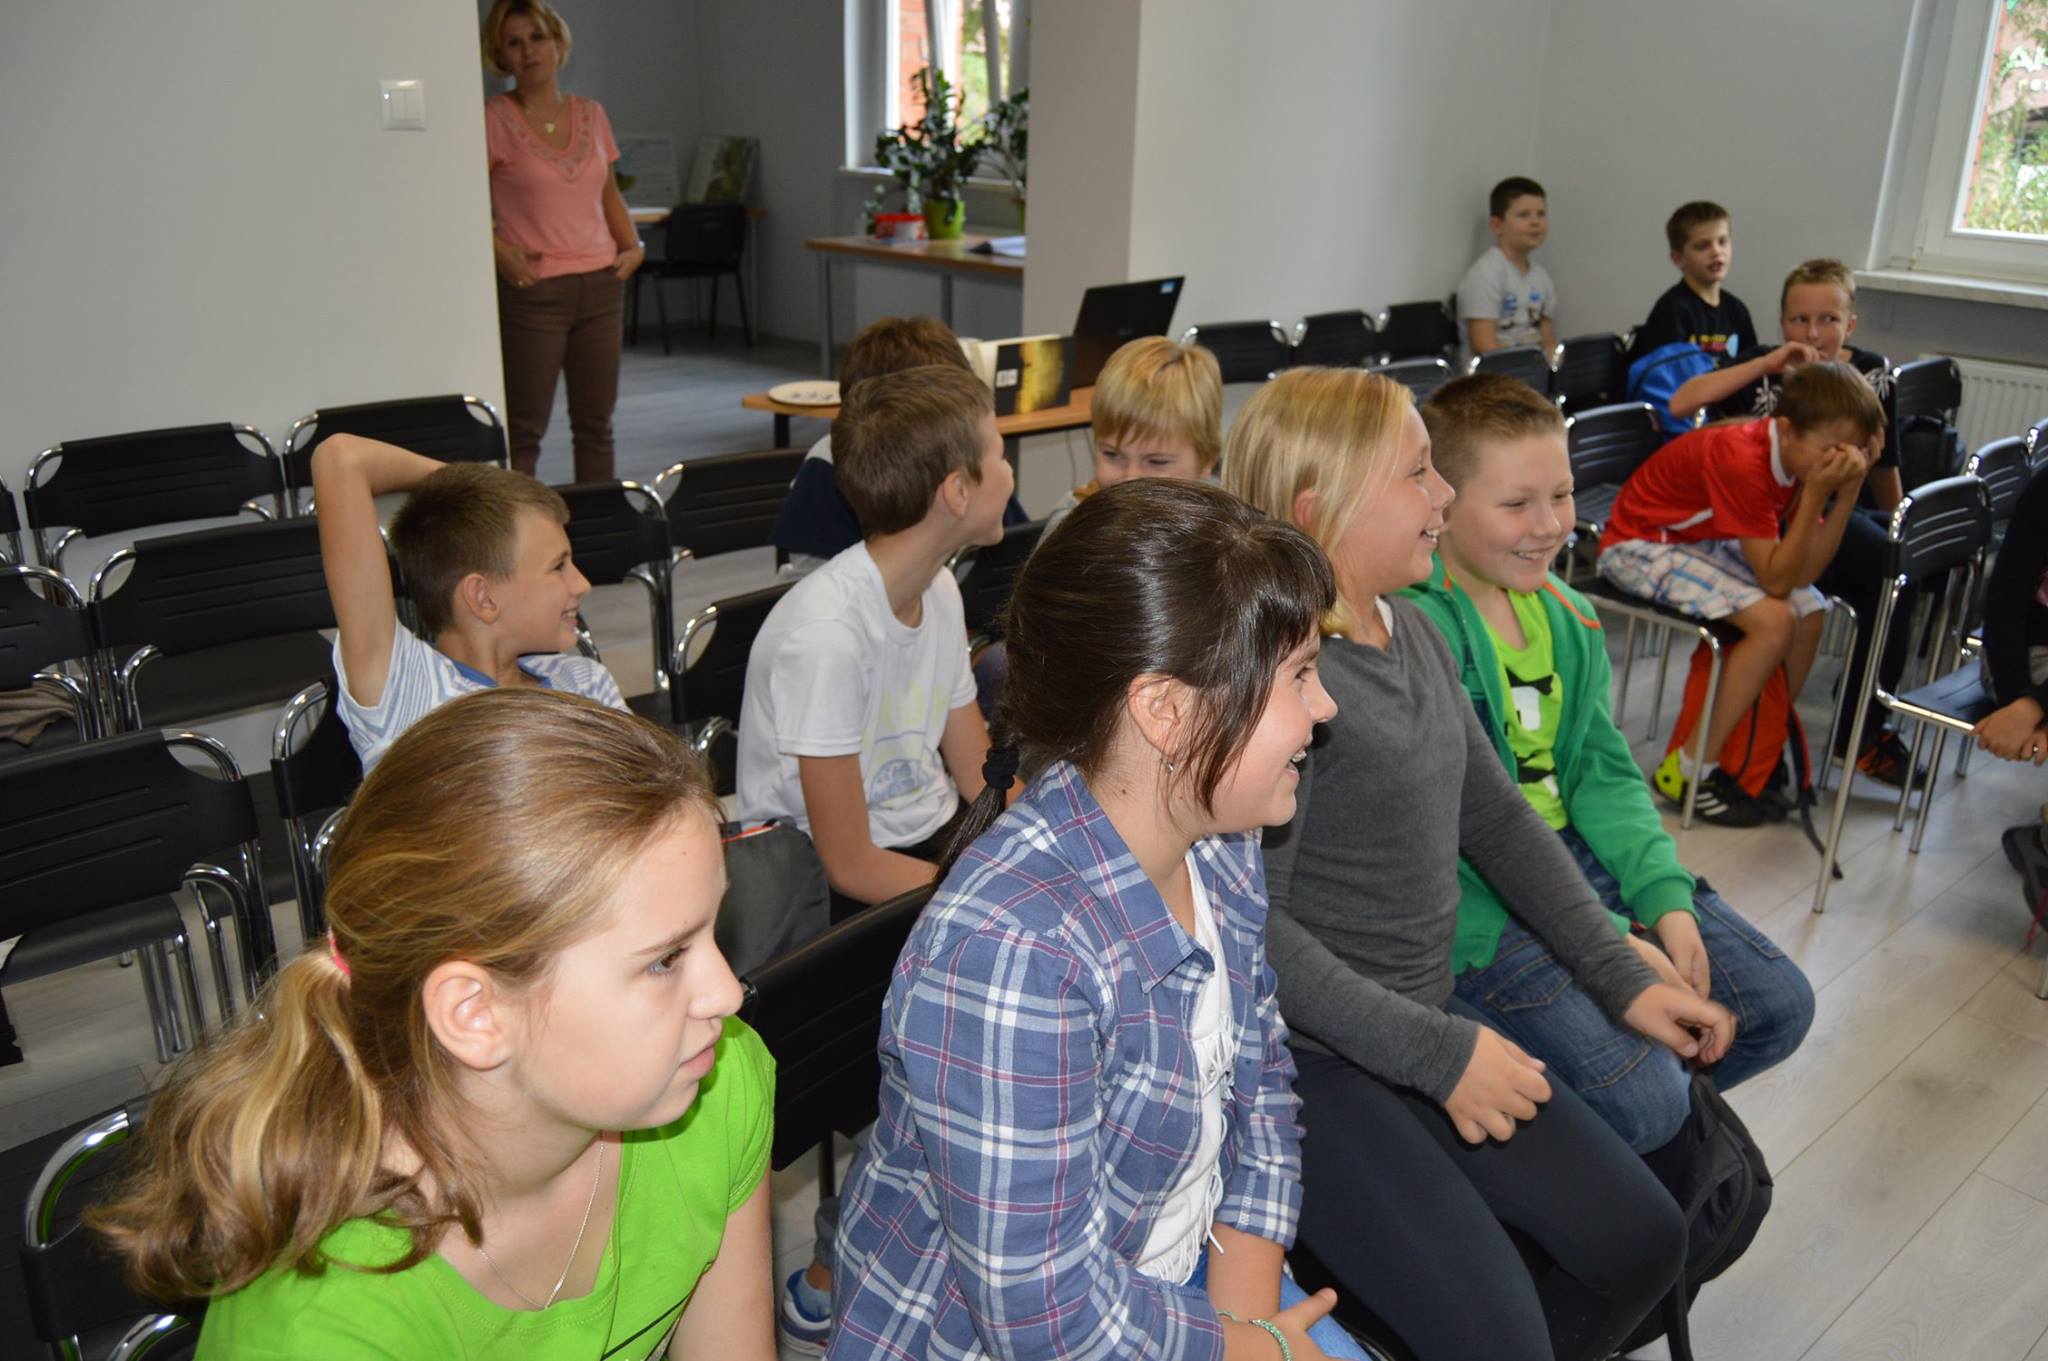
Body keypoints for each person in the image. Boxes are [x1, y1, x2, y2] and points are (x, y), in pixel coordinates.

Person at [1225, 367, 1714, 1361]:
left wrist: (1620, 975)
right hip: (1306, 1064)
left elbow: (1496, 820)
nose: (1443, 493)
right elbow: (1252, 931)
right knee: (1499, 1334)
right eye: (1417, 473)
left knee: (1643, 1240)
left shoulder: (1409, 627)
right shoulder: (1283, 680)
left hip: (1421, 1024)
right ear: (1318, 511)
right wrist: (1439, 1054)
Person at [830, 477, 1372, 1361]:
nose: (1326, 707)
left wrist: (1249, 1321)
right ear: (1166, 712)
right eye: (1299, 677)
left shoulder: (1217, 836)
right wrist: (1250, 1351)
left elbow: (1260, 1083)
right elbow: (1045, 1318)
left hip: (1174, 1290)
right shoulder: (1014, 951)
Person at [89, 689, 775, 1359]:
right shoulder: (319, 1329)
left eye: (713, 929)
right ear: (475, 1013)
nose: (726, 993)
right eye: (665, 960)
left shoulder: (717, 1080)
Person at [1405, 373, 1814, 1152]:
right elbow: (1470, 834)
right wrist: (1614, 943)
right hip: (1485, 898)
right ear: (1441, 503)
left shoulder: (1569, 615)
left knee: (1776, 1006)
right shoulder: (1421, 632)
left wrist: (1666, 902)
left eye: (1561, 495)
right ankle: (1597, 1151)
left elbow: (1604, 774)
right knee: (1646, 1101)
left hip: (1577, 860)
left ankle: (1620, 1144)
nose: (1551, 525)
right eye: (1516, 503)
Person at [736, 363, 1005, 919]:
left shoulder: (938, 590)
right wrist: (987, 897)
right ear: (958, 491)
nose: (1009, 474)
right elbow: (850, 865)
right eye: (1000, 455)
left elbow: (978, 772)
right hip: (826, 885)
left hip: (926, 840)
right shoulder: (827, 638)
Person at [1596, 362, 1884, 825]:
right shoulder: (1744, 460)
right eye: (1832, 451)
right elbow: (1776, 582)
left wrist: (1847, 495)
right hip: (1638, 544)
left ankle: (1756, 753)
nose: (1840, 462)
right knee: (1774, 622)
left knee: (1811, 610)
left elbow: (1804, 574)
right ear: (1786, 430)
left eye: (1852, 453)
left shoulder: (1796, 457)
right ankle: (1689, 769)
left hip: (1695, 541)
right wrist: (1817, 493)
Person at [1670, 259, 1920, 784]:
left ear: (1850, 324)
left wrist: (1900, 523)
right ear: (1781, 322)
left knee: (1901, 561)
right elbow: (1683, 401)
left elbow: (1884, 467)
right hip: (1764, 518)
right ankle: (1832, 733)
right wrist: (1767, 364)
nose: (1812, 334)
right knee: (1885, 569)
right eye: (1798, 320)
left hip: (1837, 505)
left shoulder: (1871, 372)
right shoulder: (1767, 364)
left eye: (1828, 320)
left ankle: (1860, 723)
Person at [312, 433, 624, 771]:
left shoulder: (585, 683)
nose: (582, 584)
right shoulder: (406, 691)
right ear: (483, 597)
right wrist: (472, 487)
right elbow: (342, 457)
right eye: (558, 566)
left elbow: (648, 794)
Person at [483, 0, 645, 480]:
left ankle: (599, 522)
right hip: (535, 293)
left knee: (596, 427)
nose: (529, 51)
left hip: (601, 287)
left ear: (558, 42)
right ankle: (518, 526)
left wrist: (634, 248)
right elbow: (461, 201)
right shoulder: (492, 118)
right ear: (501, 56)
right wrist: (498, 252)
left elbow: (608, 193)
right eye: (514, 43)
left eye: (537, 37)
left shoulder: (592, 114)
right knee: (523, 432)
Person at [770, 315, 1026, 575]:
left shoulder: (974, 462)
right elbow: (819, 577)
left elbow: (1021, 545)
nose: (1009, 470)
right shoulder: (829, 469)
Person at [1043, 335, 1224, 531]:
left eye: (1156, 462)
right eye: (1112, 455)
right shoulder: (1071, 525)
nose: (1130, 478)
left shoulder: (1228, 528)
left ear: (1208, 458)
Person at [1626, 200, 1755, 364]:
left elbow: (1753, 367)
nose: (1716, 252)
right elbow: (1668, 375)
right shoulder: (1672, 310)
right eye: (1702, 246)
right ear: (1678, 259)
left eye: (1723, 242)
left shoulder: (1737, 310)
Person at [1456, 176, 1558, 359]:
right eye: (1524, 215)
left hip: (1533, 370)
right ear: (1497, 225)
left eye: (1541, 214)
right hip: (1493, 374)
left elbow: (1548, 340)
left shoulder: (1542, 277)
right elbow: (1484, 346)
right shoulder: (1485, 275)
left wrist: (1554, 368)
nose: (1535, 222)